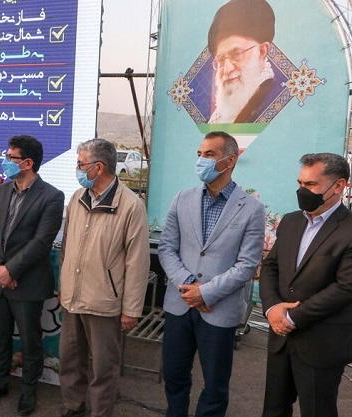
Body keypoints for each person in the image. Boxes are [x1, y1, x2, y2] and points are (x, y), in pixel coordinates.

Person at [158, 131, 265, 417]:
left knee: (215, 385)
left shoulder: (252, 209)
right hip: (180, 305)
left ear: (230, 161)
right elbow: (167, 248)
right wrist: (189, 285)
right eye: (199, 154)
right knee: (174, 376)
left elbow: (247, 264)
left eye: (209, 155)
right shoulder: (182, 199)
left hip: (219, 310)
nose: (201, 160)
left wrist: (206, 293)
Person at [58, 138, 150, 417]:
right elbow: (66, 248)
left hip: (104, 303)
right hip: (73, 298)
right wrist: (64, 285)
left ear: (98, 168)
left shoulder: (131, 206)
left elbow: (137, 262)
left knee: (104, 368)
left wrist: (131, 309)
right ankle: (73, 407)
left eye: (80, 164)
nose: (77, 169)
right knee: (70, 361)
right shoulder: (77, 198)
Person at [260, 153, 352, 417]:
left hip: (321, 343)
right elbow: (271, 267)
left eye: (311, 184)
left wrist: (290, 317)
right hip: (280, 338)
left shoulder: (348, 229)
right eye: (300, 183)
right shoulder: (291, 221)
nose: (302, 190)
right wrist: (272, 309)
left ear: (338, 186)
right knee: (273, 410)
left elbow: (345, 287)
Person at [0, 135, 64, 416]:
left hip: (27, 282)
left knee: (30, 341)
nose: (5, 161)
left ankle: (28, 390)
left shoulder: (52, 196)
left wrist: (11, 270)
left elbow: (41, 242)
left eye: (10, 157)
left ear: (27, 163)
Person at [207, 0, 277, 124]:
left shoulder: (273, 99)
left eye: (237, 54)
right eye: (221, 59)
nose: (227, 69)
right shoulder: (216, 118)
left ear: (262, 52)